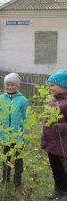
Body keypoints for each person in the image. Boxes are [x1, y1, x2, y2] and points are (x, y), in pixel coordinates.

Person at [0, 73, 28, 189]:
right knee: (5, 158)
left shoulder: (23, 100)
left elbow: (26, 118)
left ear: (17, 86)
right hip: (5, 135)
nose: (10, 87)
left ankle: (17, 182)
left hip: (18, 136)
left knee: (18, 160)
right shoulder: (0, 98)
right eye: (8, 84)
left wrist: (24, 133)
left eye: (13, 85)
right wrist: (0, 131)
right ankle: (5, 177)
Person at [41, 70, 67, 201]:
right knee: (55, 169)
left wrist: (63, 126)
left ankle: (65, 193)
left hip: (63, 145)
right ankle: (57, 190)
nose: (50, 88)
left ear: (63, 85)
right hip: (52, 142)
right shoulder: (53, 100)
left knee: (63, 170)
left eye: (52, 85)